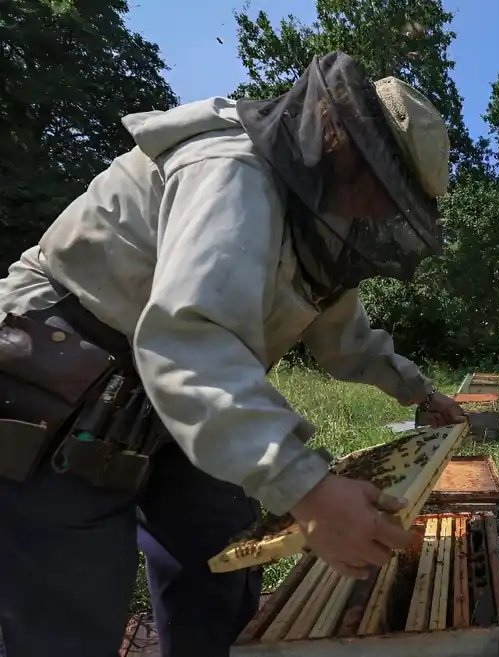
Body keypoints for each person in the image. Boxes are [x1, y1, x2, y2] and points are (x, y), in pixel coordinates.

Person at [0, 52, 466, 657]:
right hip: (61, 375)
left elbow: (347, 338)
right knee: (69, 614)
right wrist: (310, 489)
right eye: (381, 192)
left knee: (220, 569)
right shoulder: (232, 171)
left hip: (182, 391)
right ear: (343, 147)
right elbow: (191, 337)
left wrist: (420, 393)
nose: (376, 216)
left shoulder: (320, 229)